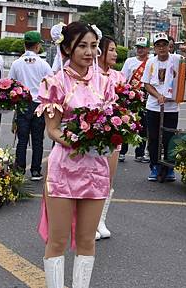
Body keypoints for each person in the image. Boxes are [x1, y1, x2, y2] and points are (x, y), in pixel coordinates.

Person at [36, 22, 116, 288]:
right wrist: (80, 140)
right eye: (82, 45)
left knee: (87, 239)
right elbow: (52, 130)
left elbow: (112, 122)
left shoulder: (105, 83)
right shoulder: (54, 82)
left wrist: (107, 138)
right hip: (64, 169)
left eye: (94, 46)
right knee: (57, 240)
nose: (89, 52)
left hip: (96, 169)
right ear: (68, 47)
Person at [8, 31, 52, 181]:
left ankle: (19, 169)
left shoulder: (16, 64)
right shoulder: (44, 65)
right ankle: (35, 170)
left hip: (23, 103)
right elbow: (51, 85)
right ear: (38, 46)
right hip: (38, 104)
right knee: (38, 140)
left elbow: (10, 84)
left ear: (24, 44)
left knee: (22, 139)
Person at [95, 36, 125, 240]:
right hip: (93, 133)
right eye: (111, 49)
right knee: (92, 176)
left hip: (113, 133)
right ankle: (87, 219)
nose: (115, 54)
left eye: (115, 50)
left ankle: (100, 220)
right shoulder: (90, 75)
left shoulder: (119, 76)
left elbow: (124, 104)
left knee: (109, 177)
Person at [142, 32, 182, 182]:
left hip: (171, 107)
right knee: (153, 138)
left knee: (169, 138)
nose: (161, 48)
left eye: (164, 45)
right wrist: (158, 96)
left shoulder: (178, 60)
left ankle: (169, 167)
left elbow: (184, 77)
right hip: (154, 107)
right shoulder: (150, 62)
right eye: (158, 45)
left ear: (169, 46)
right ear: (154, 48)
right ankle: (155, 166)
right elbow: (146, 83)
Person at [120, 37, 150, 162]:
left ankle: (140, 153)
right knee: (127, 122)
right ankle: (122, 151)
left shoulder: (151, 61)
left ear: (148, 49)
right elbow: (122, 78)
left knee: (143, 125)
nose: (140, 50)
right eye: (138, 47)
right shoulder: (129, 61)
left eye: (142, 48)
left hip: (146, 94)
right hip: (131, 95)